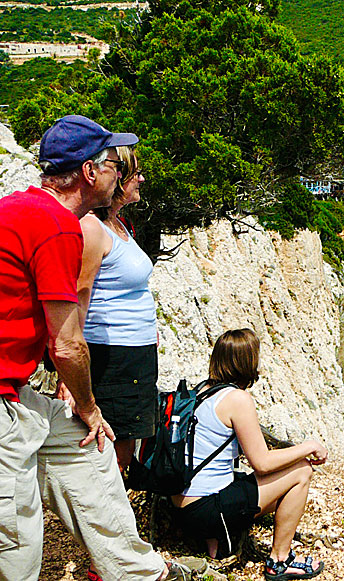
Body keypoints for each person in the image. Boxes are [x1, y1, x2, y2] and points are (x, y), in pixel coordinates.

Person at [0, 115, 190, 580]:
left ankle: (135, 571)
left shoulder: (15, 207)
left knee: (89, 448)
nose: (119, 174)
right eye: (111, 164)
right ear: (90, 172)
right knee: (16, 532)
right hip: (3, 399)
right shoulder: (60, 227)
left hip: (15, 388)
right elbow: (67, 343)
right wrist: (88, 403)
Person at [171, 329, 326, 581]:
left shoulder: (201, 392)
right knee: (301, 472)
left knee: (244, 479)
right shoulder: (237, 399)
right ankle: (280, 560)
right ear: (248, 362)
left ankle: (216, 542)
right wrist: (308, 446)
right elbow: (262, 463)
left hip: (183, 508)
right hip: (207, 510)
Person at [57, 145, 157, 474]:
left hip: (133, 355)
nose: (141, 178)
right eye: (135, 173)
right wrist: (68, 377)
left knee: (125, 453)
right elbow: (79, 298)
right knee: (109, 455)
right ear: (120, 179)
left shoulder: (119, 225)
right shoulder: (92, 228)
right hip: (112, 358)